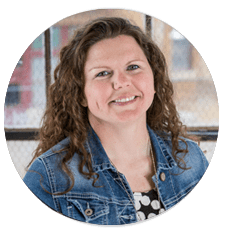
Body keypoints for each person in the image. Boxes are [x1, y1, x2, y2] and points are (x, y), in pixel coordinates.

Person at [23, 17, 209, 225]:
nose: (120, 82)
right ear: (81, 94)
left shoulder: (192, 160)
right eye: (102, 73)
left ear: (154, 80)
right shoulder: (47, 179)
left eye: (133, 67)